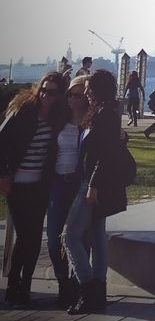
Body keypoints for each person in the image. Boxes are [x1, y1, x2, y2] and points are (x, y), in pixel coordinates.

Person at [0, 71, 69, 307]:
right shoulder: (23, 111)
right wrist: (4, 175)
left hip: (40, 186)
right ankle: (13, 285)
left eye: (51, 92)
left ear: (59, 95)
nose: (45, 95)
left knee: (33, 236)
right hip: (17, 184)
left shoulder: (58, 118)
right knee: (25, 236)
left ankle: (25, 285)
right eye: (43, 89)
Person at [62, 69, 128, 314]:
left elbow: (104, 157)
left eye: (89, 88)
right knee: (97, 237)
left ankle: (88, 290)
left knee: (70, 236)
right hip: (90, 181)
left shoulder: (104, 115)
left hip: (91, 184)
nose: (86, 93)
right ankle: (97, 294)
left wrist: (92, 186)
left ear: (98, 90)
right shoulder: (100, 114)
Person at [47, 76, 88, 308]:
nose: (73, 99)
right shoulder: (59, 120)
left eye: (78, 94)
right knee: (54, 241)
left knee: (77, 239)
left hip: (79, 184)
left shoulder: (91, 122)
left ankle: (79, 284)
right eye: (70, 94)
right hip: (57, 183)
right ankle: (64, 283)